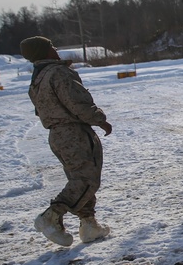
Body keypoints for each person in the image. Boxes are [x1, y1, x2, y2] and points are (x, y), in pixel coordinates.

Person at [20, 36, 113, 246]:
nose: (55, 49)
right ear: (44, 51)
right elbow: (77, 102)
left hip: (57, 135)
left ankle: (89, 224)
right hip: (73, 132)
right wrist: (100, 120)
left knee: (78, 178)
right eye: (51, 46)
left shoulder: (38, 77)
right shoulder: (58, 73)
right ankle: (52, 215)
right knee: (87, 179)